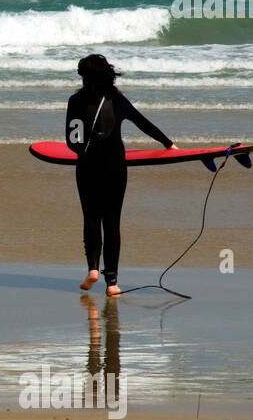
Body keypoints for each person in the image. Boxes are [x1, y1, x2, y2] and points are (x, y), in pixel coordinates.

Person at [65, 54, 177, 296]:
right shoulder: (117, 100)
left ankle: (92, 269)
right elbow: (143, 123)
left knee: (91, 218)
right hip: (115, 166)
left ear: (83, 77)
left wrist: (86, 151)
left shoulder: (75, 100)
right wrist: (168, 144)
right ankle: (112, 283)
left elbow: (72, 141)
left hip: (86, 166)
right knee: (112, 221)